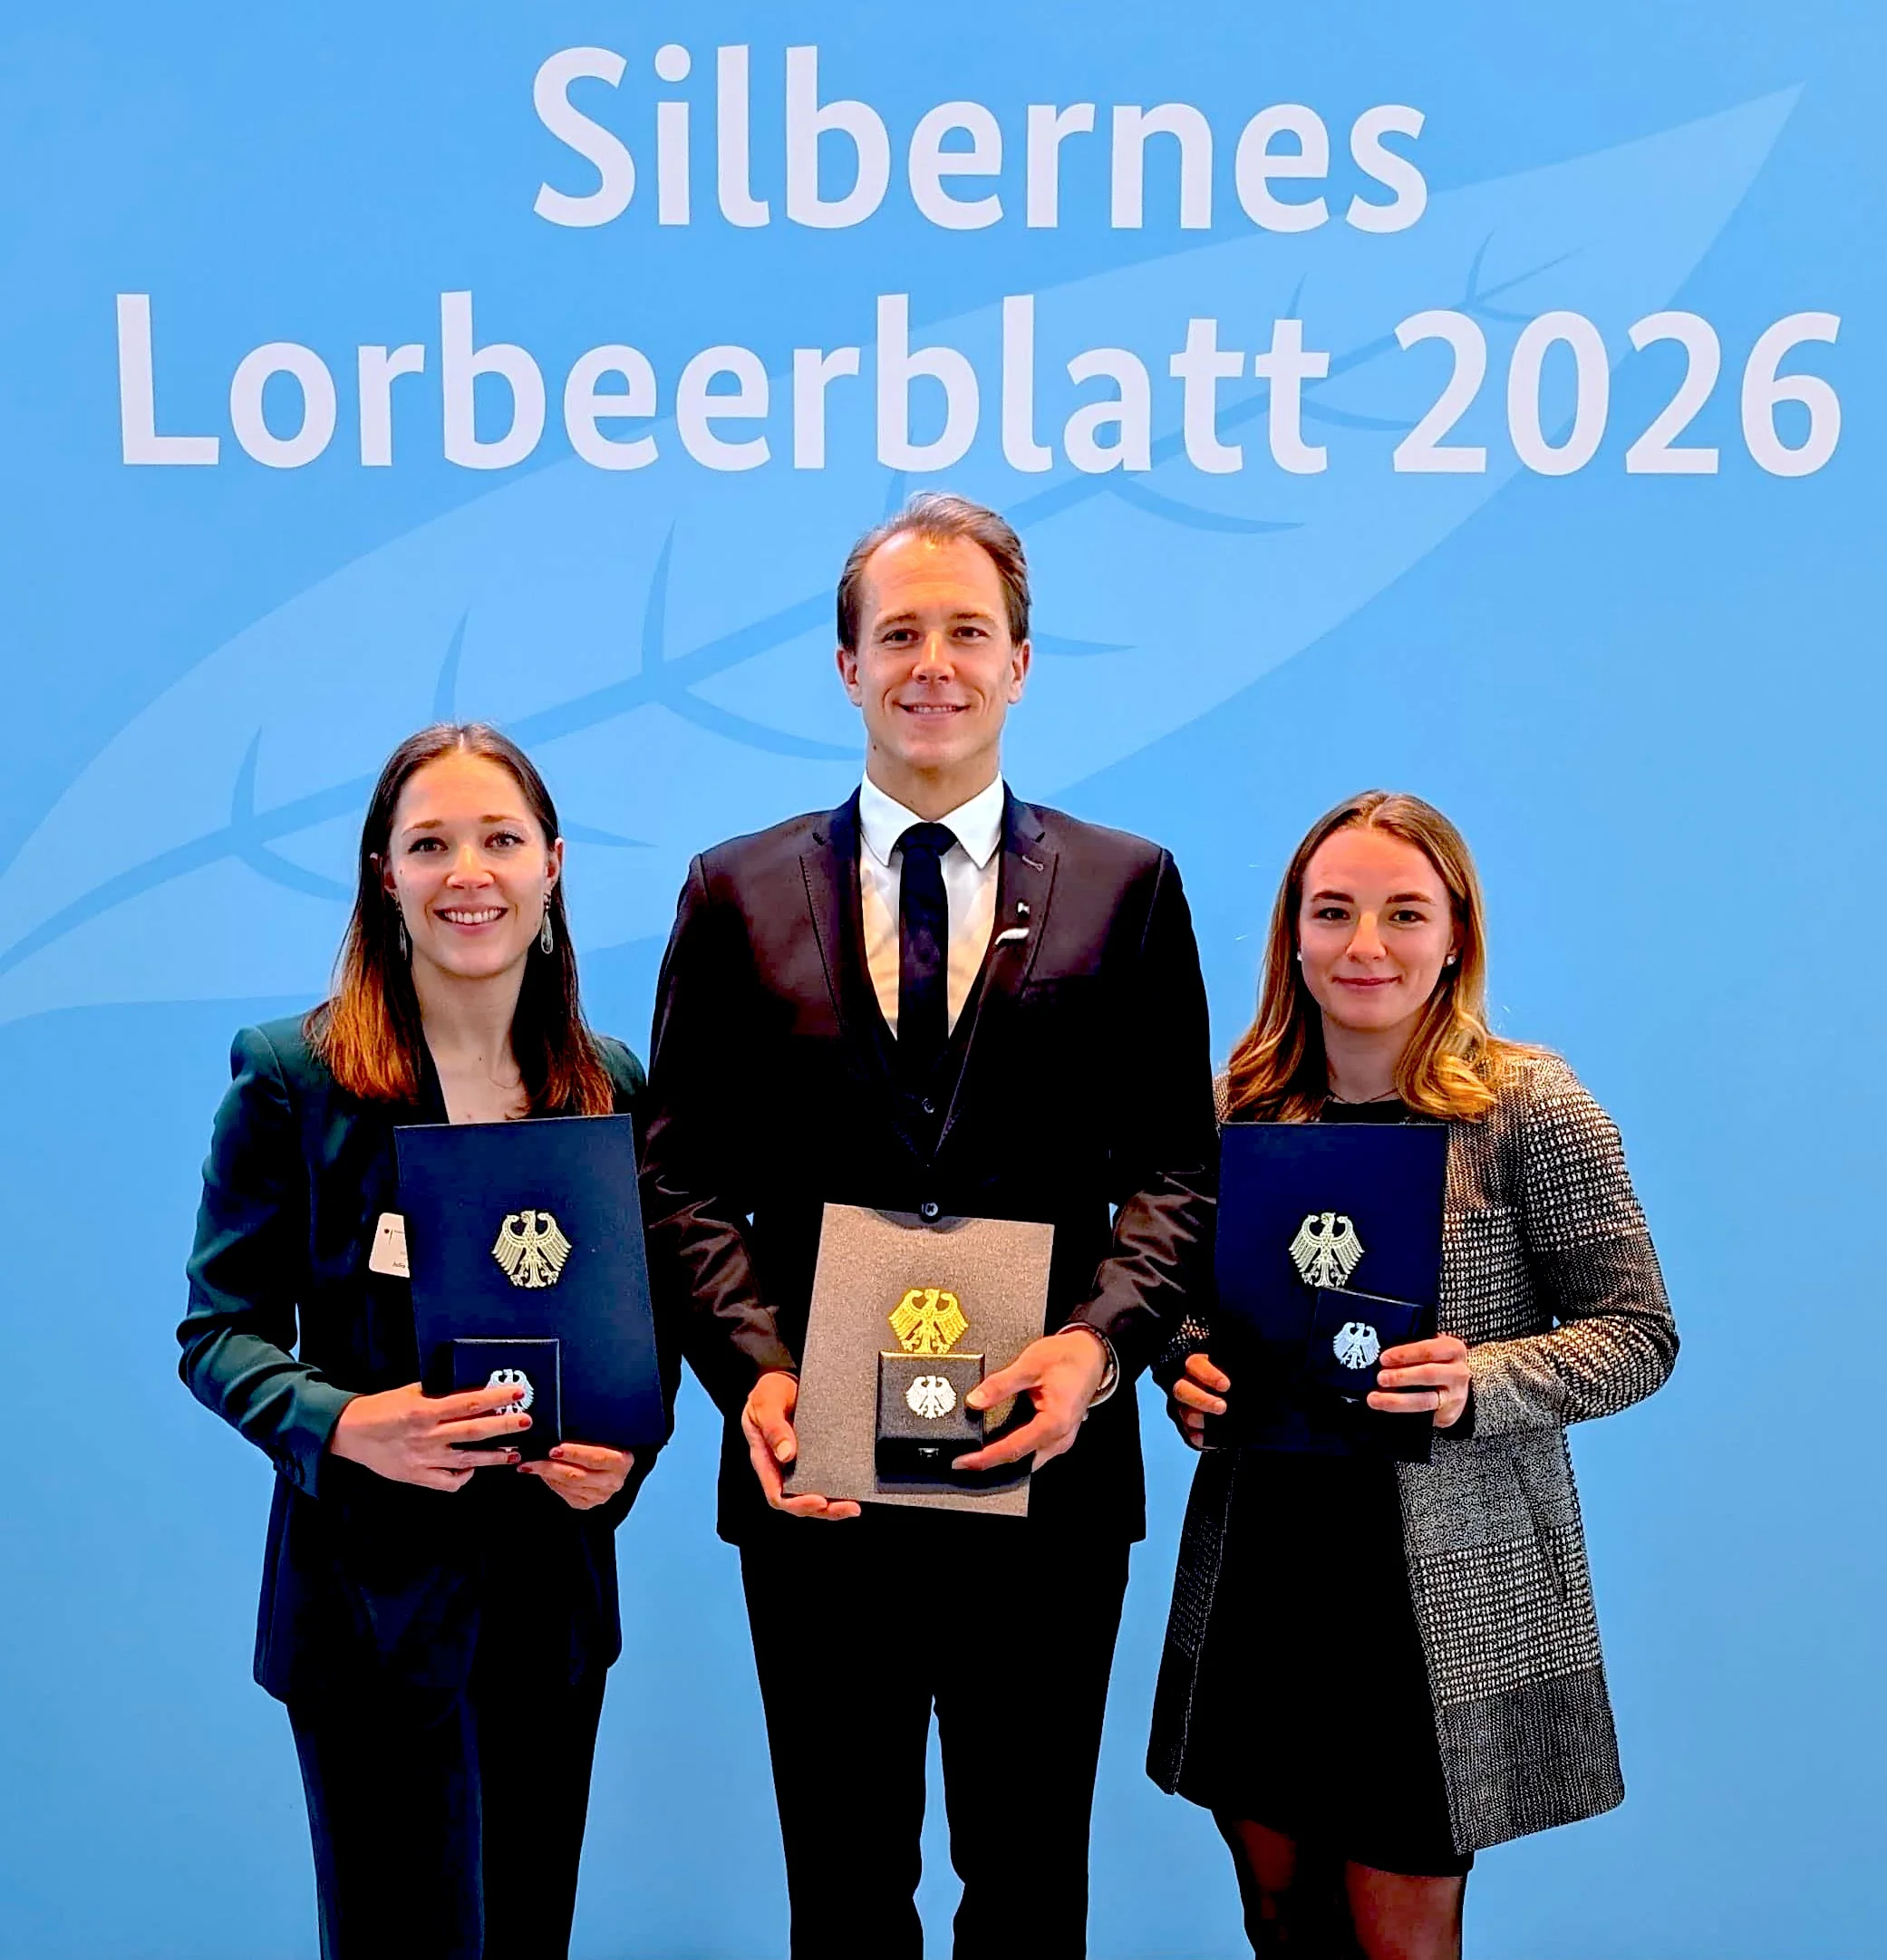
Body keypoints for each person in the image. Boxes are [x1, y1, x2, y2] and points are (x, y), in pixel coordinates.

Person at [640, 492, 1217, 1959]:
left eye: (968, 631)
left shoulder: (1127, 885)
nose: (932, 663)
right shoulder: (733, 890)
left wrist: (1096, 1350)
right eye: (898, 633)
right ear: (847, 667)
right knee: (842, 1896)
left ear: (1020, 661)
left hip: (1044, 1469)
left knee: (1027, 1894)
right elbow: (680, 1176)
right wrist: (760, 1370)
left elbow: (1176, 1171)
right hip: (817, 1478)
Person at [1147, 790, 1678, 1960]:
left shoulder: (1528, 1106)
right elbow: (1177, 1302)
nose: (1366, 946)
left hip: (1433, 1596)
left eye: (1403, 913)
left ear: (1454, 936)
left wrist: (1475, 1379)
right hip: (1264, 1572)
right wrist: (1183, 1367)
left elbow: (1638, 1332)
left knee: (1402, 1940)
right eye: (1333, 911)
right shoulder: (1236, 1108)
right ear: (1293, 934)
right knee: (1278, 1919)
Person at [179, 723, 662, 1960]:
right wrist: (348, 1422)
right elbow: (219, 1331)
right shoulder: (291, 1078)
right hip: (364, 1612)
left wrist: (622, 1461)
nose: (469, 873)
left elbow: (640, 1337)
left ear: (552, 865)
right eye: (432, 844)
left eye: (500, 839)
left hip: (550, 1609)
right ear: (383, 873)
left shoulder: (608, 1085)